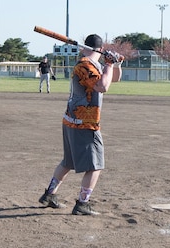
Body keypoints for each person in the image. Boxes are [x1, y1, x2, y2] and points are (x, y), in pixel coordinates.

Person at [38, 35, 123, 215]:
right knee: (95, 165)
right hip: (85, 123)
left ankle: (49, 195)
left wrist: (116, 64)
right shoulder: (85, 65)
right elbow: (102, 86)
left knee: (68, 162)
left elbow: (113, 79)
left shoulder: (93, 64)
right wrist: (108, 64)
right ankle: (83, 203)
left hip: (73, 120)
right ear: (99, 49)